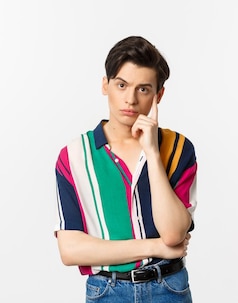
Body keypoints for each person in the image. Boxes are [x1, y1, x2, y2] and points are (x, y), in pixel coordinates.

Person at [54, 35, 198, 302]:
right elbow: (71, 250)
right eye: (121, 85)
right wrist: (155, 247)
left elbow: (174, 233)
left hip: (169, 288)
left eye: (143, 89)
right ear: (105, 85)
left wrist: (153, 154)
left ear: (159, 95)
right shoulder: (74, 157)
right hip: (107, 291)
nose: (130, 99)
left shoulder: (178, 149)